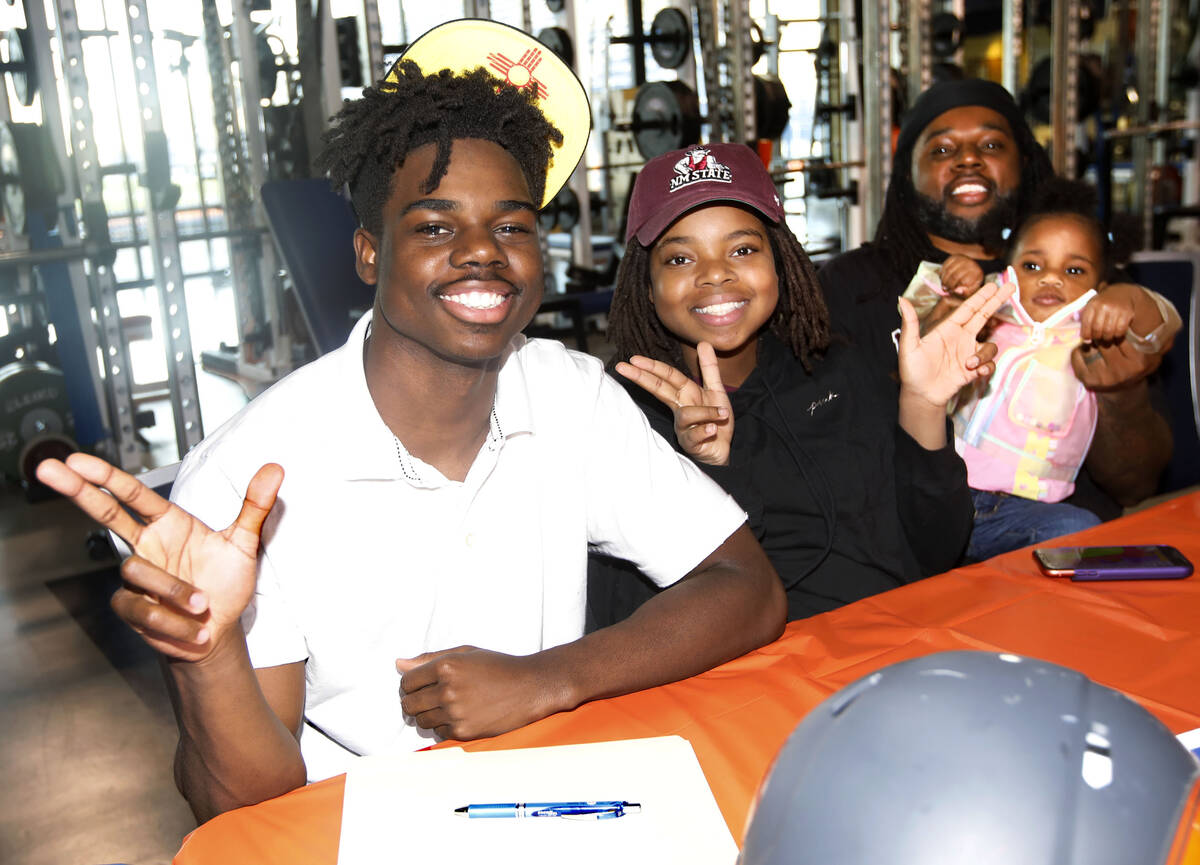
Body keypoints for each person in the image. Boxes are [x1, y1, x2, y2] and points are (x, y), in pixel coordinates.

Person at [34, 21, 786, 823]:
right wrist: (208, 657)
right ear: (368, 252)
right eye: (434, 226)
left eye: (511, 226)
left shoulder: (569, 394)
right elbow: (244, 804)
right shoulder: (251, 474)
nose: (482, 253)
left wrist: (548, 677)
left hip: (556, 808)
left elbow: (748, 589)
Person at [587, 142, 1012, 625]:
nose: (716, 274)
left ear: (780, 263)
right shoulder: (617, 417)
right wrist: (711, 467)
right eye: (680, 259)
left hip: (903, 643)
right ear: (646, 283)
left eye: (742, 249)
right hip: (766, 678)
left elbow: (938, 550)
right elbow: (649, 620)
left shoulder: (837, 368)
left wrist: (922, 405)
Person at [818, 78, 1175, 521]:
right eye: (943, 150)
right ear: (907, 174)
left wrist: (1121, 391)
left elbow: (1137, 484)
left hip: (1061, 539)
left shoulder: (1088, 288)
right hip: (912, 550)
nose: (968, 160)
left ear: (1025, 162)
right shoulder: (852, 283)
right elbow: (832, 455)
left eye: (990, 145)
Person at [902, 178, 1181, 559]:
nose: (1051, 278)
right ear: (1008, 270)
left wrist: (1132, 298)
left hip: (1020, 511)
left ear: (1100, 286)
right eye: (1033, 265)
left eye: (1074, 271)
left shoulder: (1092, 338)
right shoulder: (989, 305)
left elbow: (1161, 329)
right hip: (946, 492)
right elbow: (918, 306)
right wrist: (956, 280)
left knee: (1080, 529)